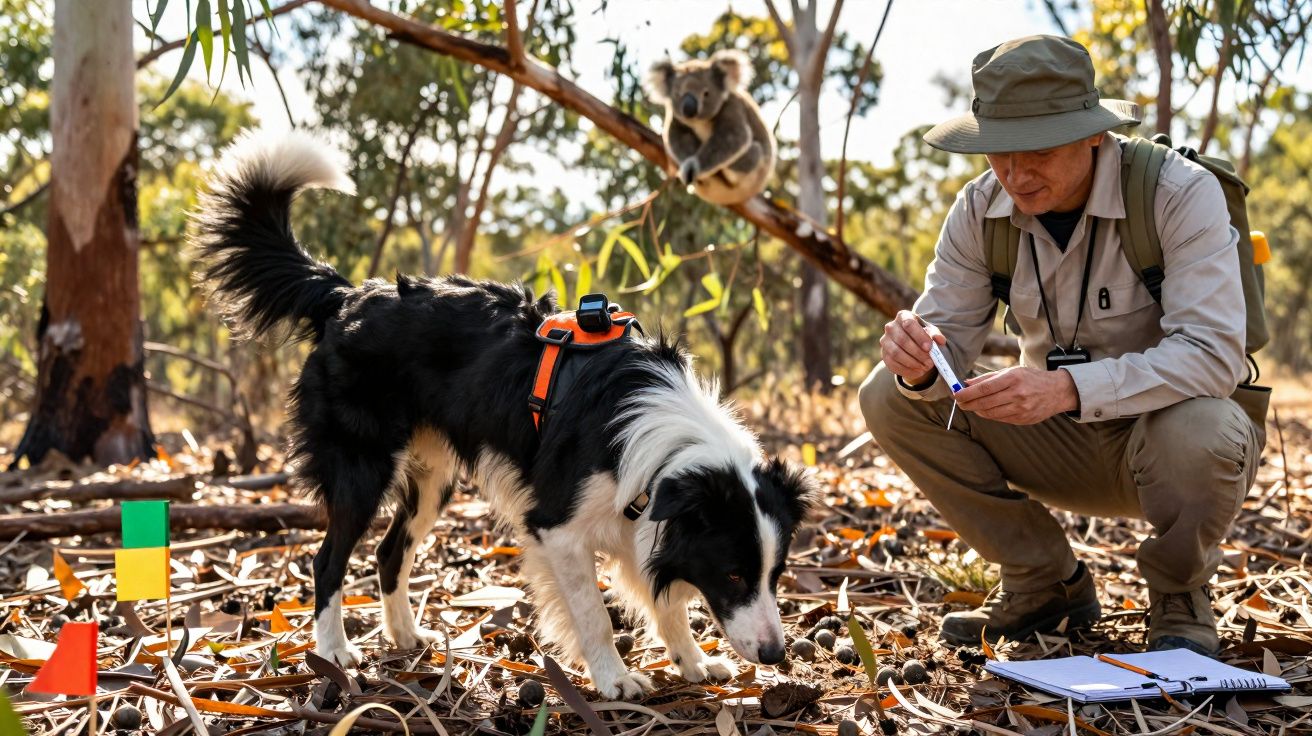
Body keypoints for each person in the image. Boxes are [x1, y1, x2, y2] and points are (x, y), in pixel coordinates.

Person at [858, 35, 1262, 656]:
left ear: (1093, 134)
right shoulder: (978, 211)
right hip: (1054, 443)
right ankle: (1044, 581)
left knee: (1205, 427)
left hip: (1163, 443)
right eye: (997, 152)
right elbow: (946, 346)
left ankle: (1180, 594)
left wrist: (1070, 387)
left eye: (1037, 151)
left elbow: (1213, 355)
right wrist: (920, 365)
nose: (1015, 175)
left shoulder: (1178, 194)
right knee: (889, 396)